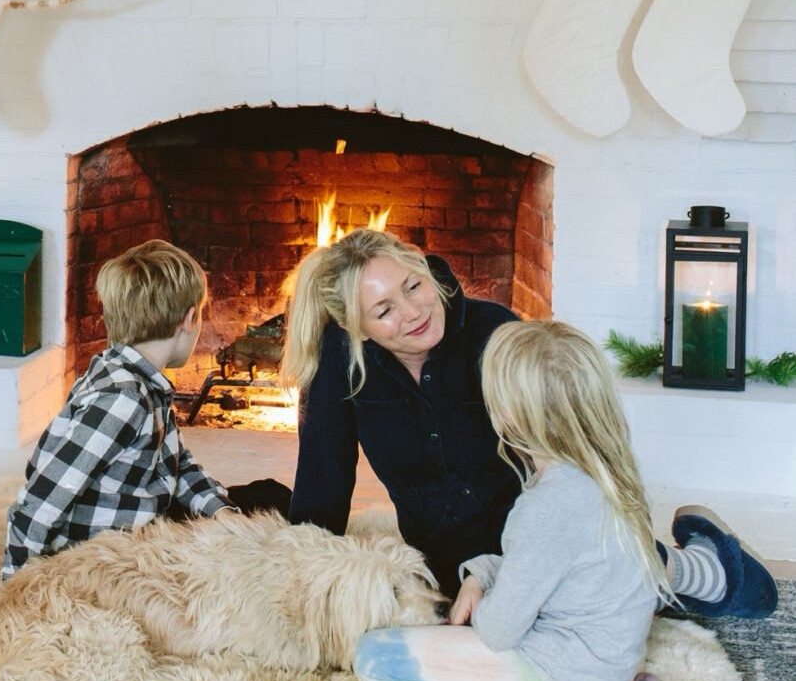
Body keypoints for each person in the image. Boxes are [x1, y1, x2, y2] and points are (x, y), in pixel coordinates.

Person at [284, 227, 775, 615]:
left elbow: (575, 447)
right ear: (354, 326)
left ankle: (705, 570)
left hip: (539, 530)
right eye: (384, 310)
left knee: (602, 598)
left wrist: (608, 534)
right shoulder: (338, 361)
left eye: (413, 286)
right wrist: (301, 583)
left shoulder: (494, 330)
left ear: (423, 269)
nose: (412, 312)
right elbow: (322, 480)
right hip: (442, 557)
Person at [352, 321, 668, 681]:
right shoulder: (606, 474)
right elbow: (548, 567)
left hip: (570, 677)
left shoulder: (548, 505)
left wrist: (479, 603)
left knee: (377, 660)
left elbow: (499, 632)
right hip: (608, 663)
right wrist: (481, 573)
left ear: (507, 414)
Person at [2, 240, 288, 581]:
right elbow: (40, 501)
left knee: (270, 495)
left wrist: (223, 514)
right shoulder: (122, 399)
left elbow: (177, 465)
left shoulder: (136, 377)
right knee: (269, 514)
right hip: (108, 559)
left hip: (142, 514)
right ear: (190, 319)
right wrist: (16, 583)